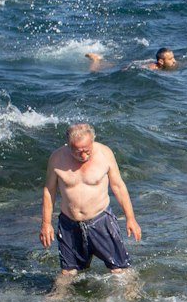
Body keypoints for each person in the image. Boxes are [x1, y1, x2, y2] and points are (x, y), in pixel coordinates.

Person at [40, 122, 142, 292]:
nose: (83, 155)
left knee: (119, 269)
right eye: (77, 151)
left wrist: (130, 218)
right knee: (68, 272)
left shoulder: (105, 154)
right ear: (68, 145)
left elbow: (118, 186)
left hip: (101, 220)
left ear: (93, 141)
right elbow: (49, 190)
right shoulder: (57, 158)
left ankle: (131, 296)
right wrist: (46, 223)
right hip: (69, 224)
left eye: (87, 150)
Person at [84, 48, 177, 72]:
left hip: (129, 64)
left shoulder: (167, 64)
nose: (174, 61)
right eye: (170, 59)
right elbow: (138, 68)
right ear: (161, 61)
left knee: (112, 66)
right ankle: (95, 60)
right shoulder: (152, 67)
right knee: (93, 71)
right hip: (127, 67)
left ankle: (101, 60)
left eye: (173, 57)